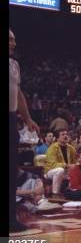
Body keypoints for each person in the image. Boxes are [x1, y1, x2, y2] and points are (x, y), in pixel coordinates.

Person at [9, 28, 41, 232]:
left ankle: (11, 219)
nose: (13, 43)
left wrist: (28, 119)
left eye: (14, 39)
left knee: (11, 171)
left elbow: (18, 93)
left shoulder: (14, 65)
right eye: (10, 39)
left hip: (11, 118)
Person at [44, 129, 77, 198]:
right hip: (51, 171)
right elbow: (52, 164)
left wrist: (75, 166)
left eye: (66, 134)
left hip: (66, 171)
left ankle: (74, 193)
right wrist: (66, 165)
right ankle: (55, 194)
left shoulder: (71, 148)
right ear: (57, 138)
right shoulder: (52, 148)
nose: (65, 136)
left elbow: (75, 162)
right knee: (60, 170)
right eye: (63, 134)